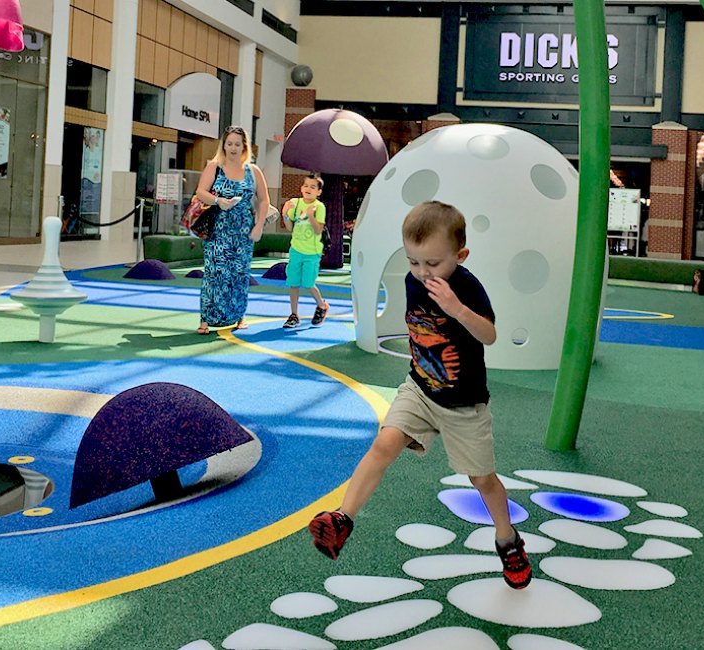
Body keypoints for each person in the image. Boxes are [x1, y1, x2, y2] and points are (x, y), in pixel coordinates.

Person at [308, 200, 533, 590]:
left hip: (464, 403)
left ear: (460, 255)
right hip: (420, 387)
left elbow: (489, 336)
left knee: (482, 479)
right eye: (413, 262)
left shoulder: (465, 287)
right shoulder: (413, 280)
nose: (422, 272)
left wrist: (457, 309)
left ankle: (507, 539)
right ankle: (344, 518)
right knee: (384, 443)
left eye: (432, 263)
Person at [194, 125, 270, 334]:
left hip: (244, 231)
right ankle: (206, 319)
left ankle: (239, 316)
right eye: (229, 144)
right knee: (214, 272)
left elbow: (264, 200)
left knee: (240, 273)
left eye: (237, 144)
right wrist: (218, 200)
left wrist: (259, 225)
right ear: (223, 145)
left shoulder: (253, 172)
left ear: (244, 146)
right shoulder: (215, 166)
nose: (233, 148)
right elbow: (201, 191)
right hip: (218, 229)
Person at [281, 174, 329, 328]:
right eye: (306, 186)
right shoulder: (294, 203)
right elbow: (290, 228)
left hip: (312, 253)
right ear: (301, 188)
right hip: (296, 250)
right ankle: (294, 314)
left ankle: (322, 305)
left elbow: (318, 230)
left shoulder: (319, 207)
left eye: (313, 187)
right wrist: (285, 215)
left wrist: (311, 216)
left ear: (319, 192)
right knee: (293, 283)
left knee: (308, 283)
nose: (308, 189)